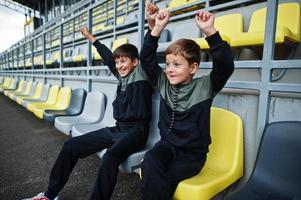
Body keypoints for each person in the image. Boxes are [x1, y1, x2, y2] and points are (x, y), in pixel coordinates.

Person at [23, 27, 153, 200]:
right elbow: (107, 56)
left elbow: (148, 52)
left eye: (124, 61)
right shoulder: (122, 76)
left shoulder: (141, 75)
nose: (119, 66)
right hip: (117, 129)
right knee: (70, 146)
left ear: (135, 62)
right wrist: (91, 37)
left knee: (110, 157)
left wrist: (152, 27)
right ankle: (50, 194)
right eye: (118, 62)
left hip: (136, 133)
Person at [139, 2, 234, 199]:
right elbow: (146, 59)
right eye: (167, 64)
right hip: (165, 147)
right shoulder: (163, 82)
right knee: (149, 161)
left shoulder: (206, 86)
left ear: (193, 68)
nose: (170, 69)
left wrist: (210, 32)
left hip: (191, 156)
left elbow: (225, 66)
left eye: (177, 64)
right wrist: (156, 28)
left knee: (163, 178)